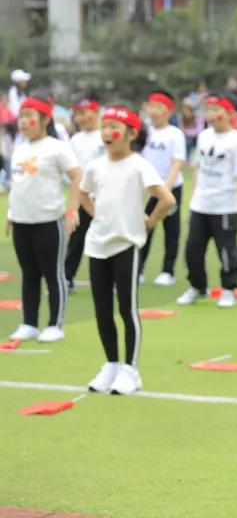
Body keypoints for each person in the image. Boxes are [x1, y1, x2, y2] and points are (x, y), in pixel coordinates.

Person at [81, 105, 176, 394]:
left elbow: (167, 199)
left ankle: (130, 370)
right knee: (102, 309)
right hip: (97, 244)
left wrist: (148, 221)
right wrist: (95, 214)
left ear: (132, 133)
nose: (107, 132)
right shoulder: (96, 166)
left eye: (114, 127)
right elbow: (82, 193)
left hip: (126, 245)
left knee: (126, 308)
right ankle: (110, 364)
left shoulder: (139, 165)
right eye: (104, 126)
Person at [5, 93, 81, 343]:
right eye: (22, 117)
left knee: (53, 273)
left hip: (48, 221)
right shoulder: (19, 149)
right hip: (22, 221)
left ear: (44, 119)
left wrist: (72, 210)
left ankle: (55, 324)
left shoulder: (57, 147)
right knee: (28, 273)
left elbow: (77, 177)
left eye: (30, 117)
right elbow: (18, 185)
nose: (24, 121)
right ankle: (29, 323)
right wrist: (10, 215)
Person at [176, 95, 237, 308]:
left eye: (216, 111)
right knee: (192, 249)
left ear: (228, 114)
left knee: (226, 250)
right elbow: (198, 166)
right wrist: (194, 195)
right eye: (208, 111)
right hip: (201, 204)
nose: (211, 115)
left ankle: (228, 288)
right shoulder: (204, 136)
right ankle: (197, 286)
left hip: (225, 205)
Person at [139, 91, 186, 287]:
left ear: (168, 111)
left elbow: (177, 162)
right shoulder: (145, 132)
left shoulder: (175, 134)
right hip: (149, 188)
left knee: (171, 230)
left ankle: (168, 271)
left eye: (160, 108)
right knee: (145, 227)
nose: (155, 111)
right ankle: (139, 269)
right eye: (152, 107)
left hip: (170, 188)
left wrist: (166, 187)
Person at [65, 96, 106, 291]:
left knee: (108, 237)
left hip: (106, 196)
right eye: (78, 114)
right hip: (83, 196)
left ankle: (111, 279)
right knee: (77, 239)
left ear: (96, 113)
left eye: (84, 113)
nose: (81, 118)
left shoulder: (105, 135)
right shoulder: (75, 140)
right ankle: (67, 276)